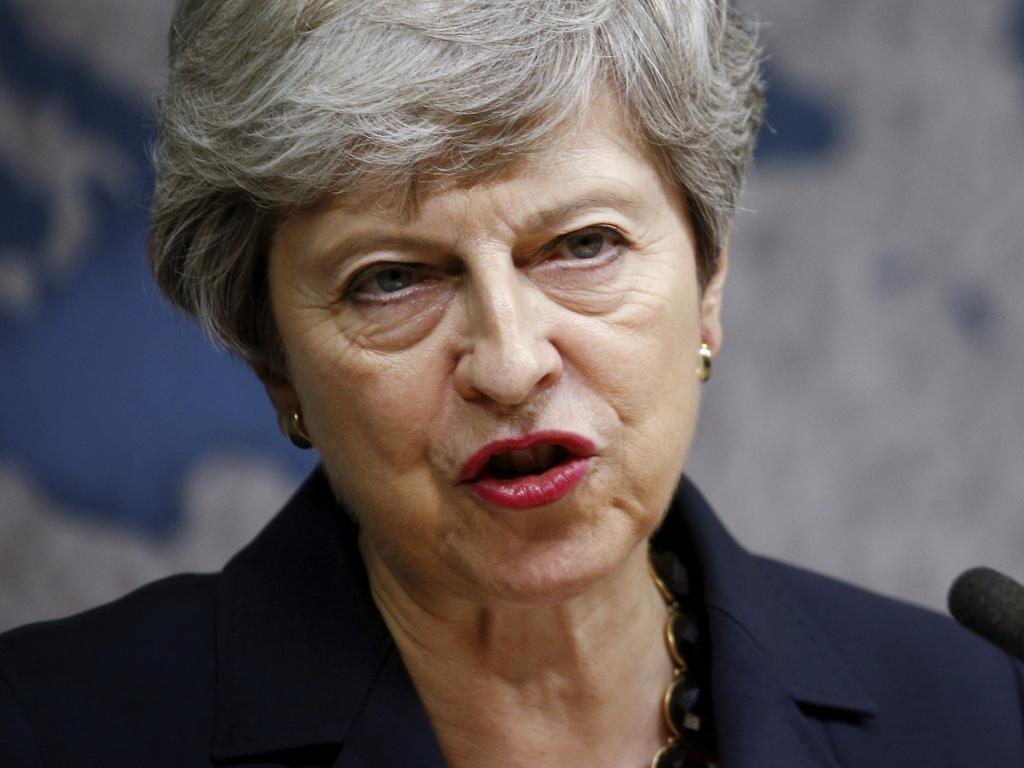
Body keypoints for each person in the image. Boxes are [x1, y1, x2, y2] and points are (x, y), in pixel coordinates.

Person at [1, 1, 1022, 766]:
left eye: (582, 245)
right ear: (276, 365)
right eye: (390, 279)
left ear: (707, 285)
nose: (510, 361)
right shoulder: (50, 729)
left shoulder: (976, 717)